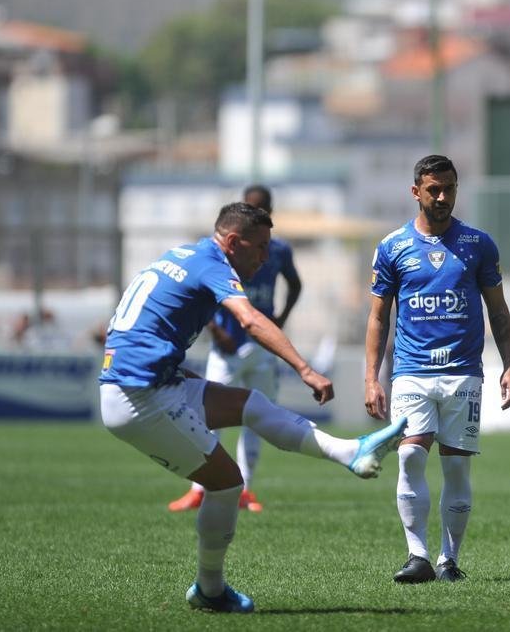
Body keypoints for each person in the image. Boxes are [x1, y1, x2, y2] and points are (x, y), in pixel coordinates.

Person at [100, 202, 407, 613]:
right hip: (139, 396)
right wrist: (305, 368)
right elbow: (250, 320)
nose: (265, 258)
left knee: (251, 404)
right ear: (232, 242)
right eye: (260, 247)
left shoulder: (181, 255)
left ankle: (350, 452)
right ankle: (210, 590)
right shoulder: (213, 265)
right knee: (227, 483)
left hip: (146, 383)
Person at [364, 154, 510, 585]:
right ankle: (418, 557)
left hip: (464, 372)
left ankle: (450, 561)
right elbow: (378, 317)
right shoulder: (393, 247)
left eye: (449, 187)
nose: (443, 196)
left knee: (456, 468)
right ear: (416, 192)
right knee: (410, 455)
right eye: (434, 189)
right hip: (411, 371)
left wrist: (509, 366)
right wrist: (370, 377)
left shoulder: (478, 244)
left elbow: (499, 312)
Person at [169, 185, 303, 514]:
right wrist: (214, 328)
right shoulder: (223, 254)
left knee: (257, 417)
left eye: (262, 209)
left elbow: (296, 284)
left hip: (260, 348)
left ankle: (247, 489)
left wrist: (280, 319)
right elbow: (207, 292)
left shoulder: (278, 250)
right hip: (226, 346)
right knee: (206, 414)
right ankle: (198, 489)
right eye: (250, 206)